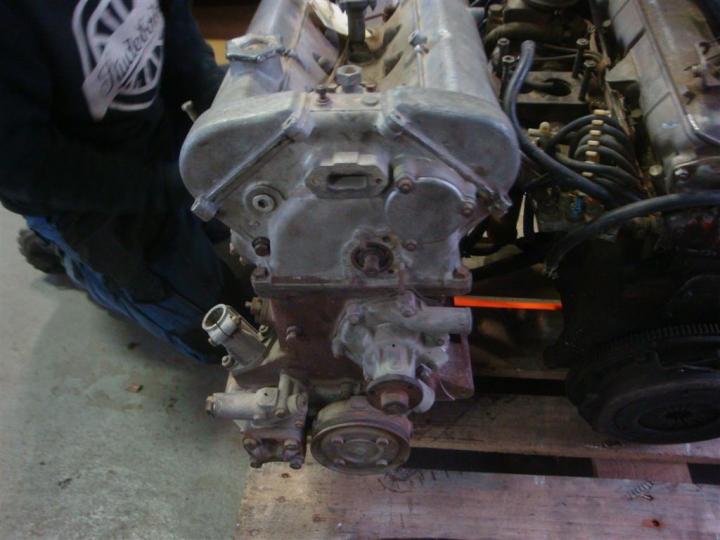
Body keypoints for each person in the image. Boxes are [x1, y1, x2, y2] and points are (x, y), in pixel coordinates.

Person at [0, 0, 246, 363]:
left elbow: (169, 19)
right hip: (81, 193)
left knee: (267, 212)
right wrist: (165, 190)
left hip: (153, 130)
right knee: (227, 337)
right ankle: (74, 258)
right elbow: (22, 165)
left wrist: (217, 100)